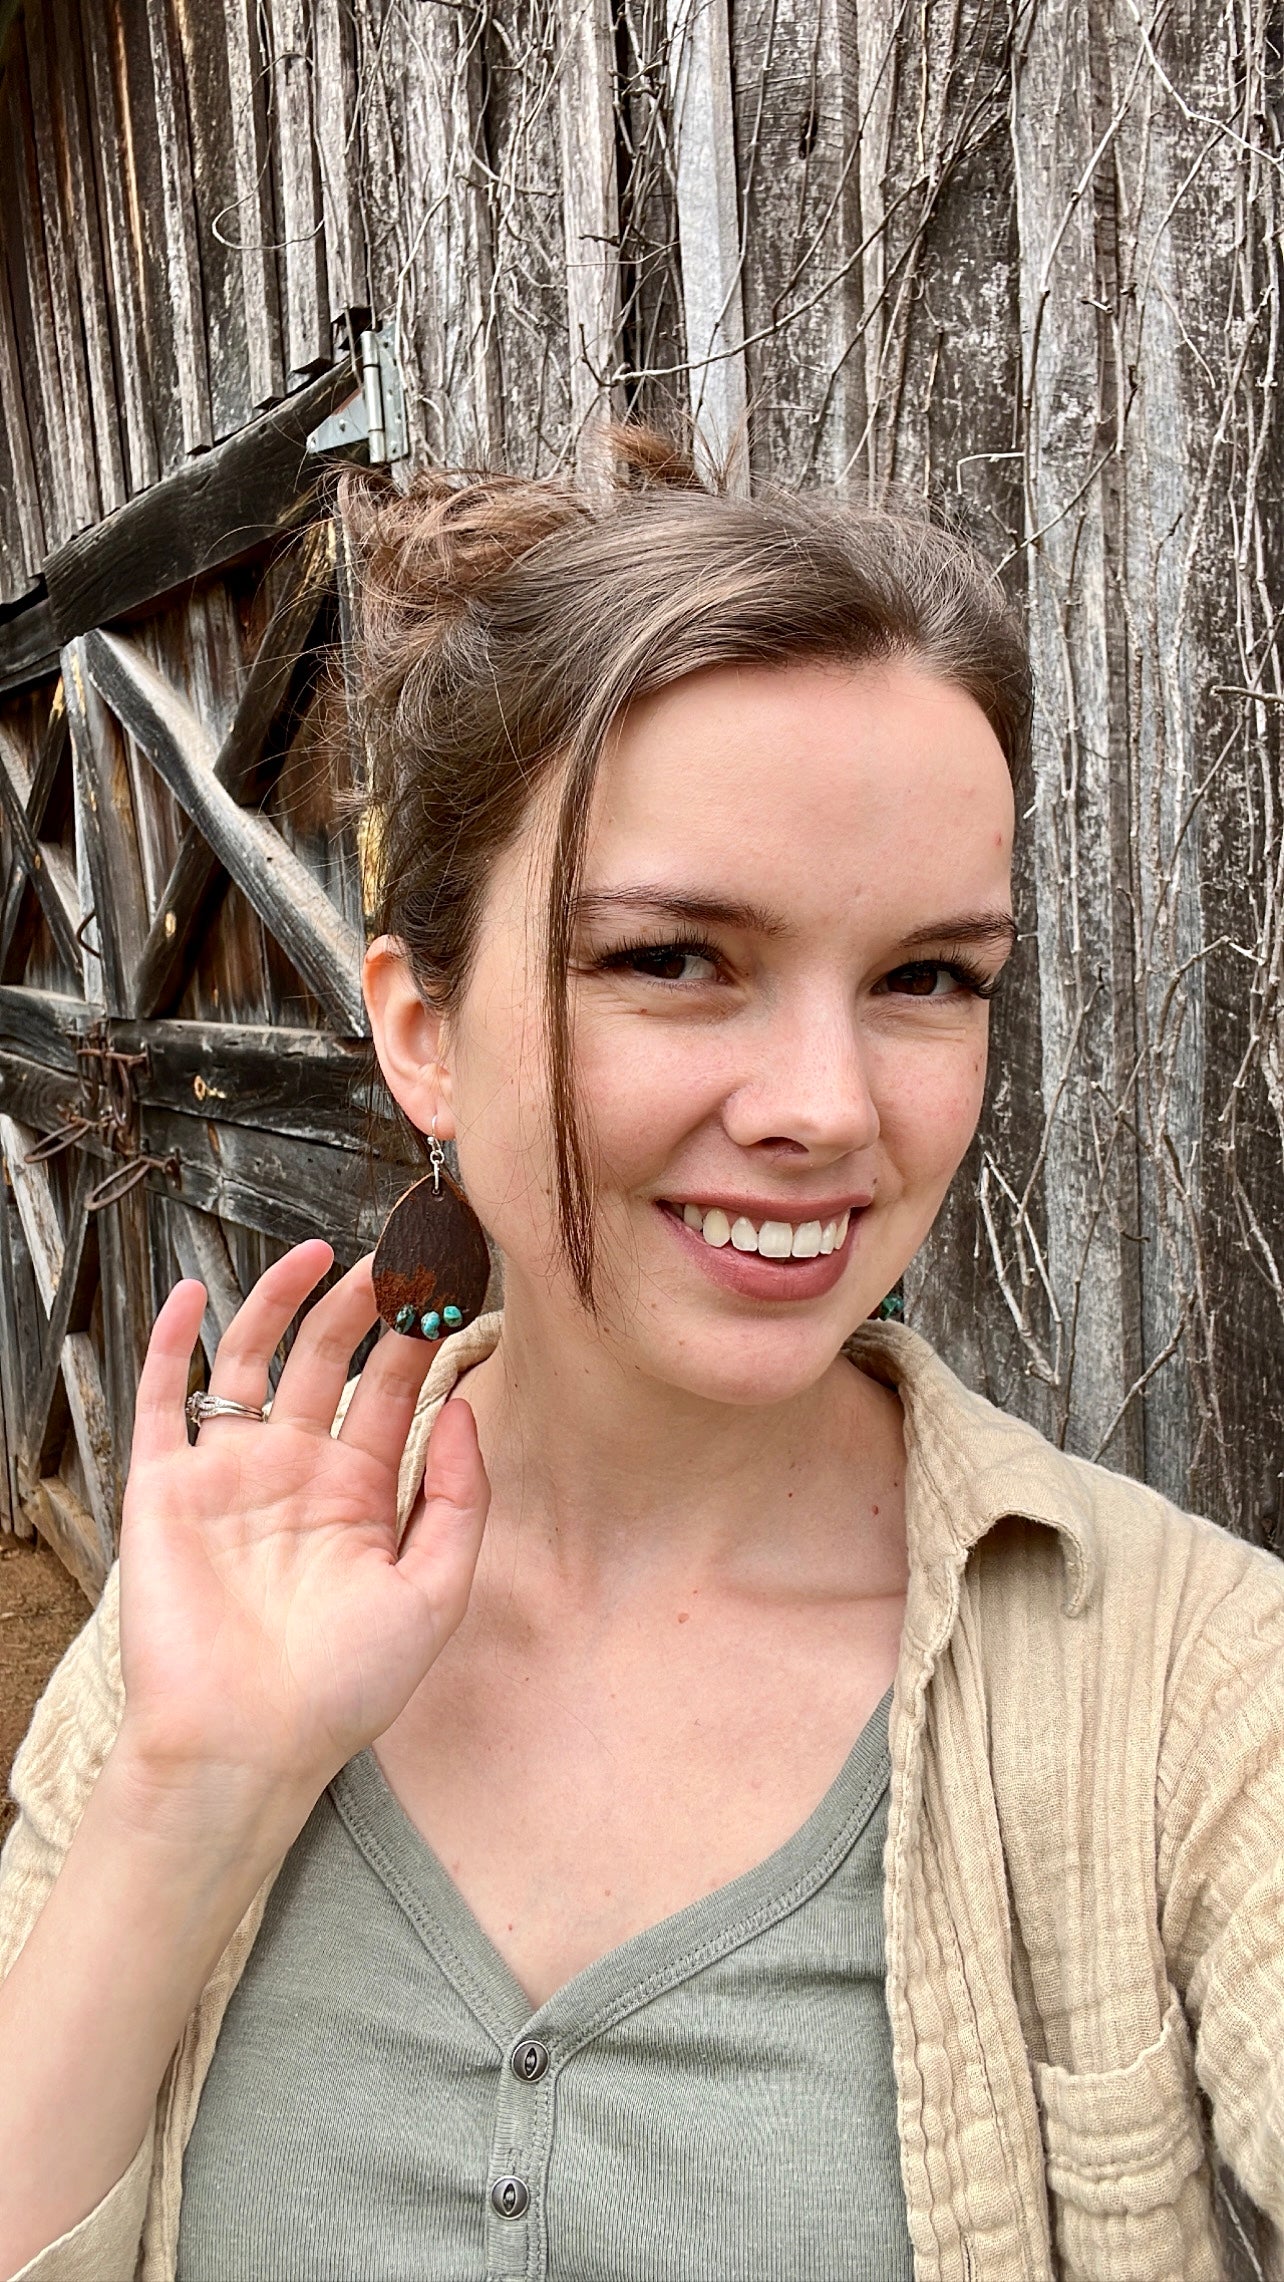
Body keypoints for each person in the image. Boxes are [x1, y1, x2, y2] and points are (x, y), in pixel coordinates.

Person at [1, 428, 1281, 2282]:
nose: (830, 1111)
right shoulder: (215, 1607)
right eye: (678, 958)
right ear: (420, 1027)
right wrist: (191, 1787)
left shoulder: (1178, 1689)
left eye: (930, 977)